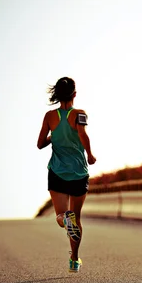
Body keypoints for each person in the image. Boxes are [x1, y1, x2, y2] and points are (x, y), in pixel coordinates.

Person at [37, 77, 96, 273]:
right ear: (75, 94)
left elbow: (39, 144)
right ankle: (74, 259)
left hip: (57, 172)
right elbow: (83, 135)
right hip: (78, 173)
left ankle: (64, 220)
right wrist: (90, 155)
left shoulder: (49, 116)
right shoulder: (80, 114)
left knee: (61, 215)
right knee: (76, 218)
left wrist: (55, 134)